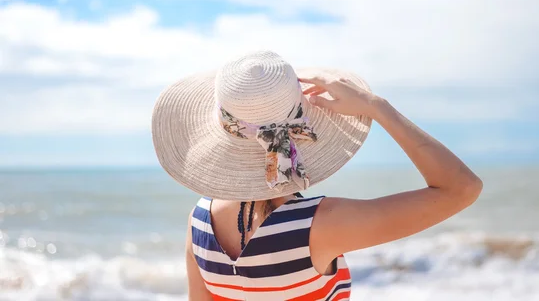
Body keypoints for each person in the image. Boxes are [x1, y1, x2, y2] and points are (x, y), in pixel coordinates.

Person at [151, 51, 483, 301]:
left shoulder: (198, 221)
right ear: (298, 132)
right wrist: (378, 107)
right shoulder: (320, 225)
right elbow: (461, 188)